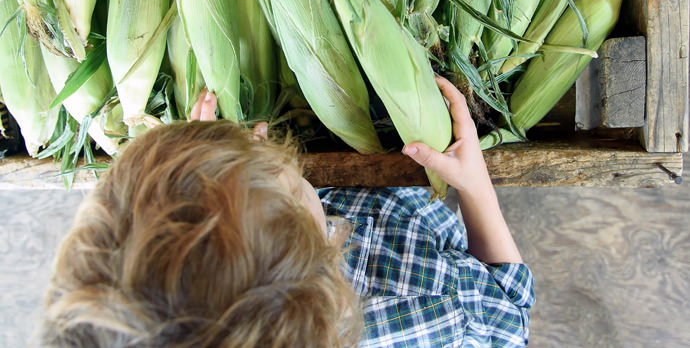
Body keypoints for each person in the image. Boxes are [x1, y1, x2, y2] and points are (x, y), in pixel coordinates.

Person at [36, 77, 533, 347]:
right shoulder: (441, 312)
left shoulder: (276, 292)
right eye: (283, 172)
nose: (257, 138)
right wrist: (476, 189)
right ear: (329, 279)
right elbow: (511, 309)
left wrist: (205, 164)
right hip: (419, 222)